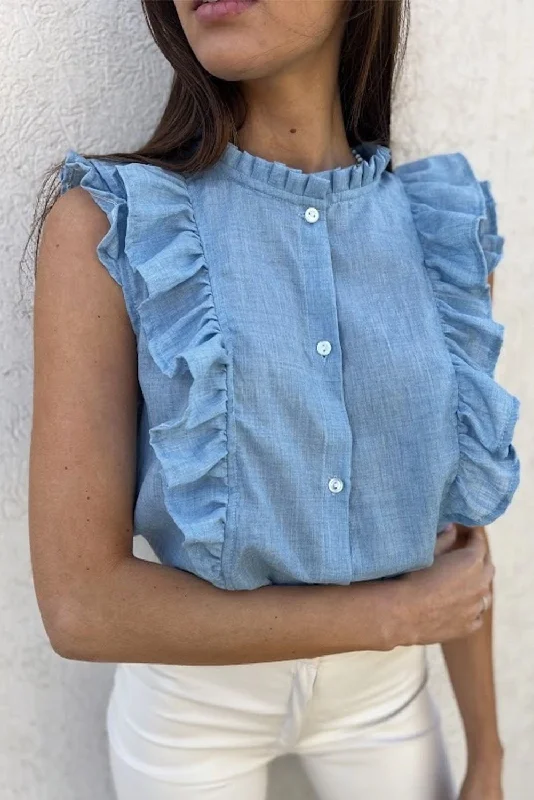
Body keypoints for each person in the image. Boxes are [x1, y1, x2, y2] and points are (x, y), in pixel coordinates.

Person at [27, 1, 520, 798]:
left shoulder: (439, 231)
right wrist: (386, 620)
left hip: (384, 703)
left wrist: (489, 761)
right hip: (193, 717)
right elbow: (81, 605)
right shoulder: (112, 228)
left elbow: (456, 546)